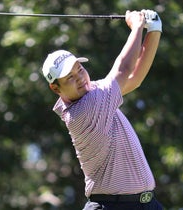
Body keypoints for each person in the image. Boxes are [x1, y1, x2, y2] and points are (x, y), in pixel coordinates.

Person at [42, 9, 163, 210]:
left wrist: (154, 30)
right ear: (55, 88)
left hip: (147, 204)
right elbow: (124, 68)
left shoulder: (94, 92)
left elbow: (134, 79)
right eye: (70, 78)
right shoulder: (84, 110)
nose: (80, 78)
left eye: (79, 69)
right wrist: (137, 26)